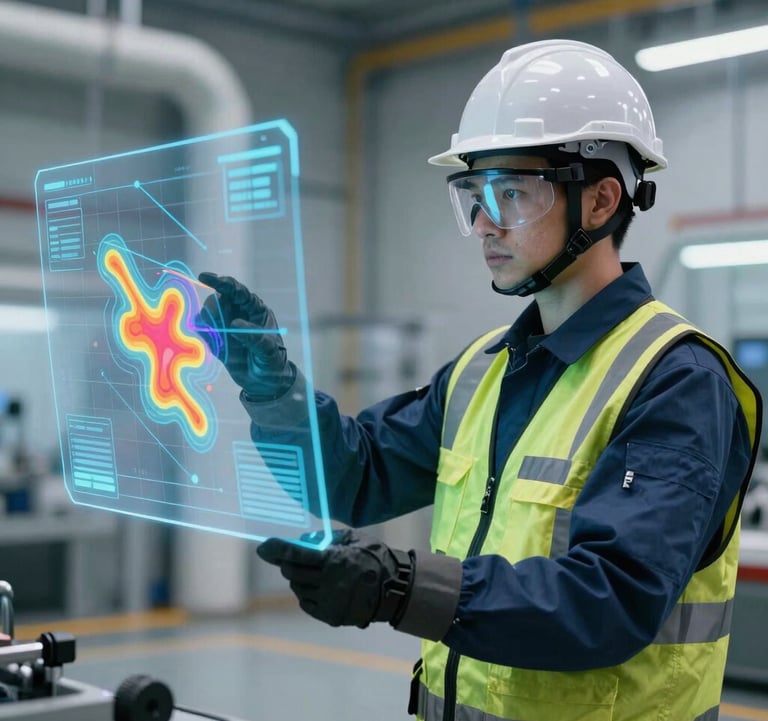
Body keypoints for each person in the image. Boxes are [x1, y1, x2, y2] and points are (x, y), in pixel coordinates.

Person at [199, 40, 762, 721]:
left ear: (601, 199)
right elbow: (354, 473)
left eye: (513, 193)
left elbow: (609, 598)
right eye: (473, 195)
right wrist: (272, 387)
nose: (483, 226)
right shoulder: (481, 370)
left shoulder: (676, 381)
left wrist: (401, 588)